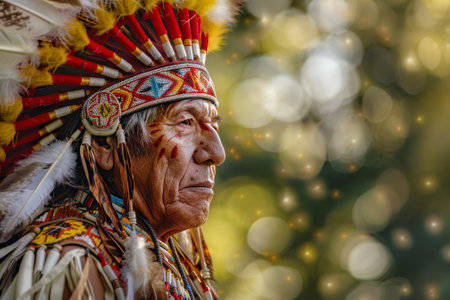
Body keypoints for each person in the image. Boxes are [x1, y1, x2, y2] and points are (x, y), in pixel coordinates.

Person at [0, 0, 238, 298]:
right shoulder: (71, 264)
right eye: (185, 122)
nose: (216, 153)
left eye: (213, 125)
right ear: (104, 145)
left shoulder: (171, 266)